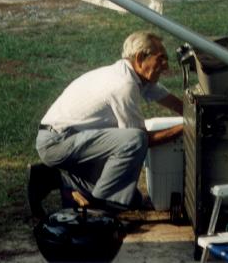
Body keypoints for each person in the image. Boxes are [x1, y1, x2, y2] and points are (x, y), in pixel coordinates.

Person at [28, 31, 183, 218]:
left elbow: (174, 103)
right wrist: (186, 128)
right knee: (135, 139)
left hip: (69, 140)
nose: (166, 66)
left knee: (132, 198)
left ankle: (56, 178)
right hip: (56, 142)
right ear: (141, 57)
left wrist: (195, 113)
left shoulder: (134, 75)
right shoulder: (124, 84)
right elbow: (141, 140)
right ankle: (100, 207)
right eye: (161, 59)